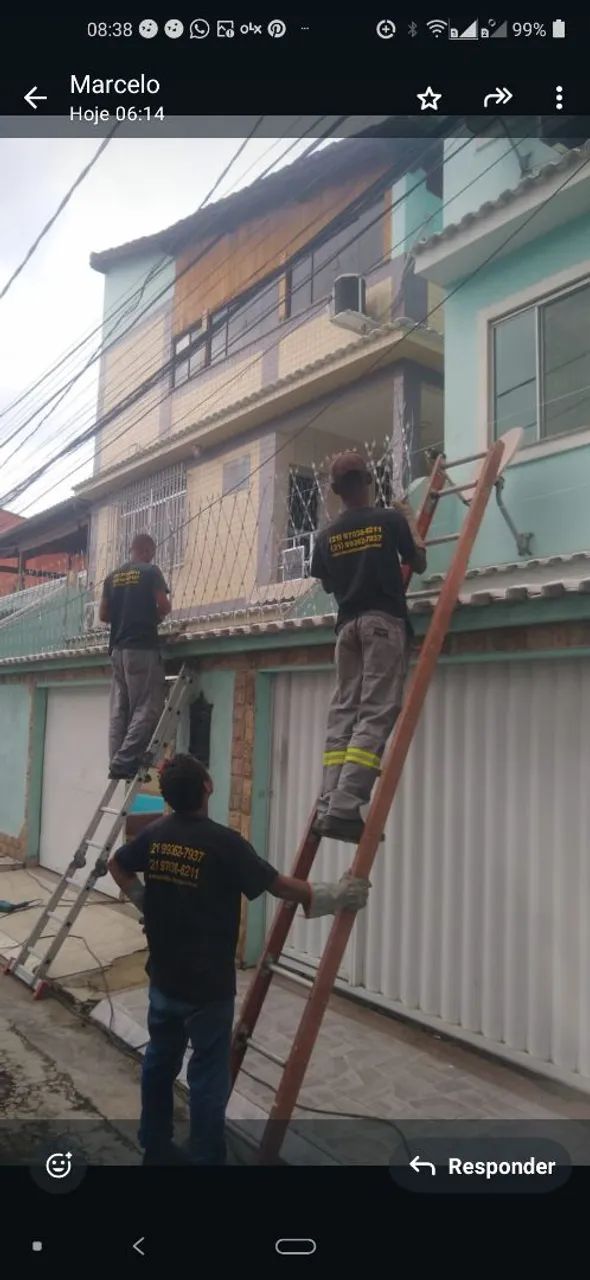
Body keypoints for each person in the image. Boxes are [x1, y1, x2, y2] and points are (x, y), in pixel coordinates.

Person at [107, 752, 369, 1166]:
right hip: (208, 988)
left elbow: (116, 864)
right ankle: (207, 1158)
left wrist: (144, 901)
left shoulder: (155, 834)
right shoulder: (222, 843)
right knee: (208, 1077)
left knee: (159, 1063)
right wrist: (336, 896)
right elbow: (279, 886)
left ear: (170, 796)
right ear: (207, 787)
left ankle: (153, 1144)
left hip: (164, 977)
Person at [310, 451, 427, 844]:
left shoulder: (324, 536)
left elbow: (327, 585)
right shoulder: (388, 519)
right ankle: (346, 807)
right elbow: (419, 562)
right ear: (368, 481)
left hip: (346, 631)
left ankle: (329, 801)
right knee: (375, 712)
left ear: (334, 490)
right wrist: (411, 522)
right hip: (382, 623)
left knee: (344, 712)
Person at [99, 533, 171, 780]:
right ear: (147, 549)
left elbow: (104, 616)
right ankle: (123, 761)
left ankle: (116, 761)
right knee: (148, 706)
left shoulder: (112, 577)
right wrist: (152, 616)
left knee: (120, 708)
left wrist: (125, 614)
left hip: (117, 651)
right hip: (142, 648)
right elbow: (164, 606)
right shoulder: (151, 572)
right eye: (151, 551)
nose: (152, 555)